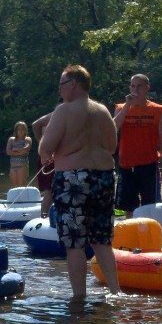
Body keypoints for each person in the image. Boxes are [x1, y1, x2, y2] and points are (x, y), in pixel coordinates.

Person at [38, 65, 120, 300]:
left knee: (75, 243)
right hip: (103, 178)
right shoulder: (103, 111)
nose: (60, 90)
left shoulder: (64, 110)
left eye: (62, 84)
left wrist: (55, 148)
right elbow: (112, 147)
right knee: (102, 240)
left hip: (74, 180)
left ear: (74, 83)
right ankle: (115, 292)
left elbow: (46, 148)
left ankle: (79, 299)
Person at [112, 74, 162, 217]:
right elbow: (113, 127)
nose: (135, 90)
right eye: (132, 86)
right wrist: (127, 106)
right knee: (128, 207)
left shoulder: (157, 110)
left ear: (147, 88)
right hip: (126, 166)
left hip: (149, 166)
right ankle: (131, 233)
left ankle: (149, 235)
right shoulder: (121, 108)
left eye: (139, 86)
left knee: (150, 206)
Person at [31, 112, 55, 216]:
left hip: (58, 156)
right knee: (49, 190)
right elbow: (35, 124)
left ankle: (48, 215)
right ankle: (44, 216)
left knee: (53, 190)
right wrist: (42, 143)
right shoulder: (56, 114)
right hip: (49, 157)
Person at [6, 121, 32, 188]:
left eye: (22, 129)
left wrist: (15, 150)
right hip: (13, 166)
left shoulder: (27, 139)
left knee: (21, 186)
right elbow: (8, 152)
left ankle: (23, 198)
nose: (20, 131)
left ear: (25, 130)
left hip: (22, 166)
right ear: (16, 130)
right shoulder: (11, 140)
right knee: (14, 187)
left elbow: (26, 149)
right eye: (19, 129)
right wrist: (20, 152)